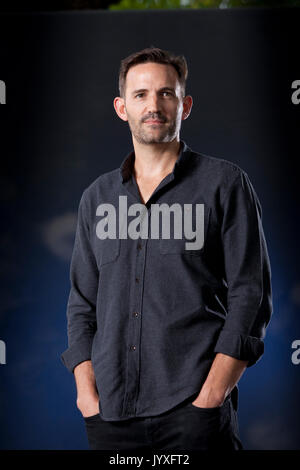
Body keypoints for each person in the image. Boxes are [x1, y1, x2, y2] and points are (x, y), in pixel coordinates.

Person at [61, 46, 273, 451]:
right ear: (122, 107)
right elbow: (81, 304)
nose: (153, 105)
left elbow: (251, 295)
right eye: (140, 95)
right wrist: (86, 396)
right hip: (111, 416)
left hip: (195, 412)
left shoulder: (224, 184)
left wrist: (211, 398)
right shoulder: (97, 198)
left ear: (185, 105)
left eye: (166, 93)